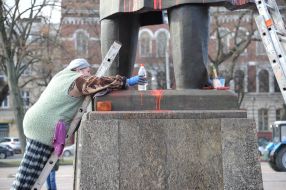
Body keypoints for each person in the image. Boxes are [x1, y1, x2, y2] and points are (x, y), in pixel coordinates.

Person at [11, 58, 145, 190]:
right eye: (88, 71)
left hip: (34, 122)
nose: (90, 75)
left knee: (28, 172)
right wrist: (126, 81)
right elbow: (96, 83)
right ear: (78, 70)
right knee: (28, 178)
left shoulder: (60, 76)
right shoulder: (77, 79)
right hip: (43, 129)